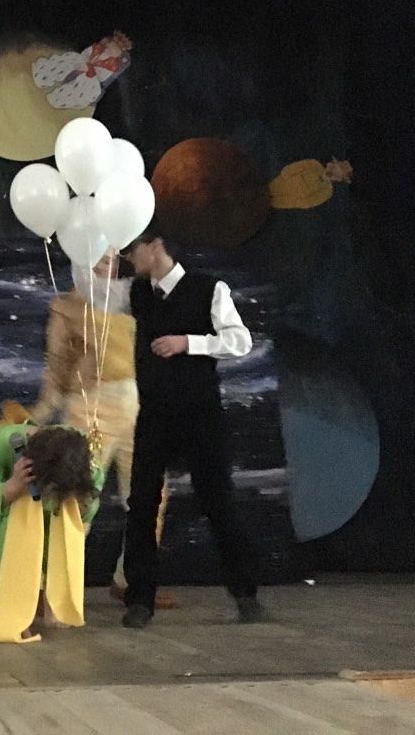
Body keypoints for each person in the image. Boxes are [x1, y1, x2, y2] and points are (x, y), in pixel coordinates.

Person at [120, 227, 265, 628]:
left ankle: (245, 593)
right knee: (141, 503)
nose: (130, 258)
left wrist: (189, 342)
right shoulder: (138, 292)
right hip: (154, 413)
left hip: (199, 413)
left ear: (155, 246)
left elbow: (240, 340)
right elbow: (96, 292)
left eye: (133, 249)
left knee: (217, 499)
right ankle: (139, 599)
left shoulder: (207, 288)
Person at [32, 249, 176, 609]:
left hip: (138, 407)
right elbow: (57, 366)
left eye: (112, 254)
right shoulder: (67, 306)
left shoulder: (135, 299)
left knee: (151, 497)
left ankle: (131, 581)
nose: (107, 261)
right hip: (89, 409)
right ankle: (50, 586)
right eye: (98, 253)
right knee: (75, 495)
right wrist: (38, 415)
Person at [0, 421, 103, 642]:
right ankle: (15, 612)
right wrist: (12, 487)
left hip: (54, 522)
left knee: (66, 522)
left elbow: (90, 507)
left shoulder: (84, 455)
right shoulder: (3, 442)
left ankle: (55, 601)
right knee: (19, 518)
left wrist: (82, 506)